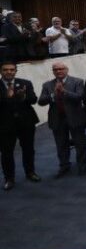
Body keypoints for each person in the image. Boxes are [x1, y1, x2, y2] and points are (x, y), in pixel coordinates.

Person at [38, 62, 86, 177]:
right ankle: (64, 166)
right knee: (61, 144)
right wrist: (53, 95)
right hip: (57, 118)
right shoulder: (47, 85)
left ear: (67, 70)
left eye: (61, 69)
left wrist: (64, 92)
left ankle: (82, 164)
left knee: (79, 143)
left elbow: (80, 97)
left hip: (75, 117)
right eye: (55, 69)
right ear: (53, 71)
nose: (58, 71)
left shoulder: (77, 81)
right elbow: (41, 102)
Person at [0, 62, 39, 191]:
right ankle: (9, 179)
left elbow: (33, 99)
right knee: (6, 152)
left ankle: (30, 173)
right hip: (5, 125)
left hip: (26, 122)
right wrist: (7, 98)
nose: (9, 72)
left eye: (12, 70)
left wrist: (23, 97)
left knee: (28, 149)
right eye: (6, 70)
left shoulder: (25, 83)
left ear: (16, 71)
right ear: (1, 72)